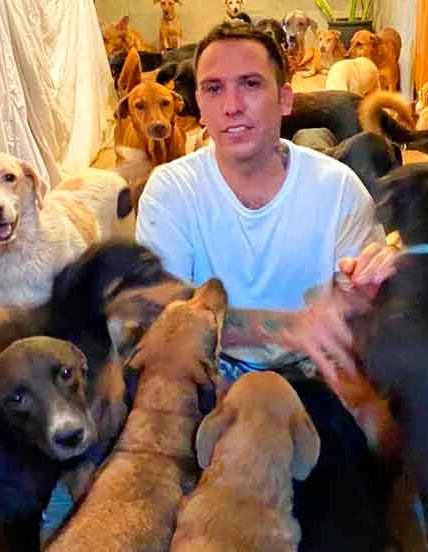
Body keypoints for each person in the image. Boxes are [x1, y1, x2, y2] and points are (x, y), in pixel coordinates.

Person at [135, 22, 397, 381]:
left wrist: (368, 295)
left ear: (285, 99)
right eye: (214, 89)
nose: (232, 106)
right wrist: (288, 328)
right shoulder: (171, 192)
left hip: (315, 379)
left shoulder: (338, 190)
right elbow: (167, 317)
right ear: (198, 104)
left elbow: (360, 312)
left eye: (251, 84)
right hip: (206, 382)